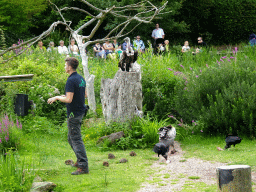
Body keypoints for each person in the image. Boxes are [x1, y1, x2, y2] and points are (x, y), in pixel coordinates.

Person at [47, 57, 89, 175]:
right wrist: (63, 96)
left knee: (75, 139)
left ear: (70, 67)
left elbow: (69, 99)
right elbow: (84, 95)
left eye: (65, 65)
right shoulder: (80, 78)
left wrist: (56, 97)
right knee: (71, 138)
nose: (64, 67)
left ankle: (83, 167)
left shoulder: (71, 80)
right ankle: (79, 161)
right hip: (80, 111)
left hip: (73, 114)